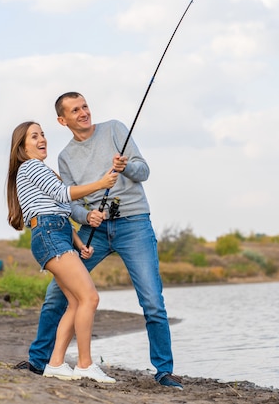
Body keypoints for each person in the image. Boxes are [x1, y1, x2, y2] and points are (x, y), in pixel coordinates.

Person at [23, 92, 184, 390]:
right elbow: (69, 202)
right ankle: (39, 360)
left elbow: (143, 171)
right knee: (57, 295)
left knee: (152, 299)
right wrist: (86, 217)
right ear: (63, 120)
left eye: (85, 106)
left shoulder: (114, 129)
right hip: (95, 231)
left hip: (134, 223)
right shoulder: (65, 157)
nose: (83, 112)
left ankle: (164, 370)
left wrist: (126, 167)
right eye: (75, 110)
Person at [6, 121, 118, 383]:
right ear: (22, 147)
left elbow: (62, 215)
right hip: (48, 235)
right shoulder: (30, 167)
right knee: (90, 298)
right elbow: (62, 194)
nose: (41, 138)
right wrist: (101, 183)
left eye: (42, 134)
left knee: (78, 301)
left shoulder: (42, 170)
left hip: (56, 234)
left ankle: (55, 363)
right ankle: (85, 364)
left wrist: (80, 245)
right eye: (34, 136)